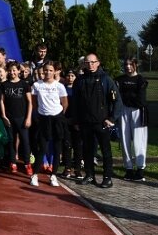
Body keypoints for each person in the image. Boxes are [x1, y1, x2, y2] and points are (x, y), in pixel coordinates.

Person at [72, 53, 123, 189]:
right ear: (84, 64)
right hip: (85, 122)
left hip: (102, 123)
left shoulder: (106, 79)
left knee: (106, 151)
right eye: (88, 62)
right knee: (87, 150)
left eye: (93, 62)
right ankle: (89, 175)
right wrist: (76, 120)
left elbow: (117, 101)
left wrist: (112, 119)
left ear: (98, 63)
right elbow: (75, 103)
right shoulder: (80, 80)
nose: (91, 65)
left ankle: (107, 178)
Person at [29, 62, 68, 187]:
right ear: (42, 71)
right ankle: (34, 175)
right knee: (42, 148)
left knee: (57, 149)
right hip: (43, 119)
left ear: (55, 71)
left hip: (57, 119)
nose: (48, 72)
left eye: (50, 70)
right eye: (46, 70)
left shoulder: (60, 86)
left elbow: (65, 103)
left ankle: (53, 175)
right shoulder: (36, 85)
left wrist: (59, 114)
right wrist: (41, 114)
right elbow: (34, 103)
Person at [116, 58, 148, 181]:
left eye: (131, 64)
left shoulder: (141, 80)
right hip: (124, 110)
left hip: (138, 111)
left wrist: (127, 98)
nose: (128, 66)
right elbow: (117, 96)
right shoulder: (120, 79)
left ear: (135, 65)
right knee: (124, 139)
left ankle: (140, 169)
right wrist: (126, 99)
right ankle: (128, 169)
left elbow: (141, 99)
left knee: (139, 140)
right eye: (126, 64)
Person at [0, 62, 32, 175]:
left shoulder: (24, 84)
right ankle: (13, 162)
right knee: (11, 141)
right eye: (10, 70)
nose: (12, 72)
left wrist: (28, 118)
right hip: (9, 118)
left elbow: (30, 102)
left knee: (25, 141)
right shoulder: (4, 85)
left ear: (18, 71)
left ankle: (27, 163)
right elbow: (2, 101)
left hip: (22, 117)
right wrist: (3, 115)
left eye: (14, 70)